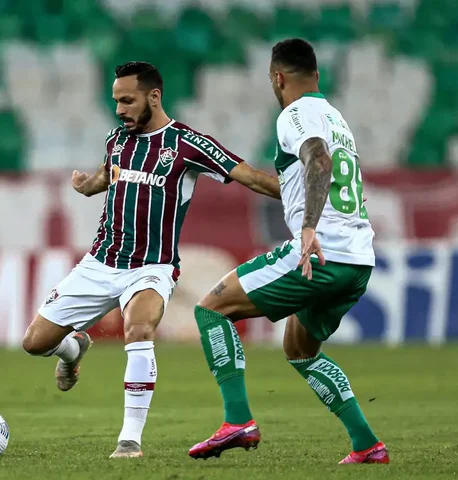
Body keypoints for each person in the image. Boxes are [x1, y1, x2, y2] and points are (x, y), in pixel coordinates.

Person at [21, 61, 282, 458]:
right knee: (34, 343)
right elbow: (105, 178)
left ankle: (129, 440)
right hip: (101, 262)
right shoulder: (117, 140)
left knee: (139, 329)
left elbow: (251, 177)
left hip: (152, 266)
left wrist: (314, 197)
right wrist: (87, 185)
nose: (119, 109)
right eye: (115, 101)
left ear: (154, 96)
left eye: (127, 100)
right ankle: (73, 350)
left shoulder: (188, 144)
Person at [187, 39, 389, 465]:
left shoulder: (294, 115)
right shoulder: (337, 119)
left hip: (321, 252)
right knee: (300, 350)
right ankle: (366, 444)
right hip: (358, 259)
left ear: (277, 78)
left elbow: (318, 162)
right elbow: (324, 174)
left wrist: (310, 226)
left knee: (211, 310)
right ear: (316, 75)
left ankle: (237, 420)